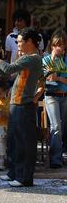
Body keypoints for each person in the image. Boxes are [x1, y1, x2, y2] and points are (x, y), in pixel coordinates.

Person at [0, 27, 44, 187]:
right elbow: (4, 73)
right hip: (16, 104)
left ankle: (24, 178)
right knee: (13, 141)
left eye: (20, 42)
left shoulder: (33, 58)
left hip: (24, 106)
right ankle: (13, 173)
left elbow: (7, 69)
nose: (17, 44)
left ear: (30, 42)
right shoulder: (26, 57)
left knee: (24, 143)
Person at [42, 29, 67, 168]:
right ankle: (55, 159)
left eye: (62, 44)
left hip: (65, 96)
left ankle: (61, 153)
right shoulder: (45, 59)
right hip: (51, 97)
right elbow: (43, 80)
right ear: (51, 45)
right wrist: (52, 59)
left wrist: (58, 78)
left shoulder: (66, 60)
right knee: (56, 126)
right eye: (56, 44)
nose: (59, 47)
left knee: (63, 128)